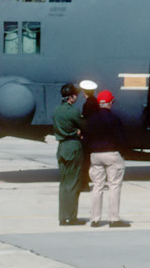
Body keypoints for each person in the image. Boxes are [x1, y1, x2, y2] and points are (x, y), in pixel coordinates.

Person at [84, 89, 129, 227]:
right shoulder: (114, 119)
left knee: (97, 186)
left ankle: (95, 219)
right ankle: (114, 218)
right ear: (110, 103)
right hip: (111, 154)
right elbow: (121, 138)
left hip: (95, 155)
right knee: (114, 186)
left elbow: (86, 138)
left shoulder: (92, 119)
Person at [52, 83, 86, 225]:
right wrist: (77, 132)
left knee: (64, 183)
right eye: (75, 95)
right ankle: (71, 217)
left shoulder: (56, 111)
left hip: (62, 148)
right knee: (73, 183)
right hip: (73, 147)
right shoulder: (73, 111)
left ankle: (62, 216)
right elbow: (84, 126)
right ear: (71, 97)